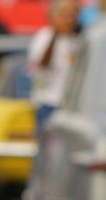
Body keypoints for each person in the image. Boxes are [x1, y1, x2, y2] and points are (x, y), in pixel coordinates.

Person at [28, 0, 80, 130]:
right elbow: (41, 64)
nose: (69, 20)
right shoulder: (43, 37)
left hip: (69, 106)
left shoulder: (75, 41)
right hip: (48, 104)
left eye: (72, 15)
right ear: (53, 16)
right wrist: (55, 35)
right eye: (65, 15)